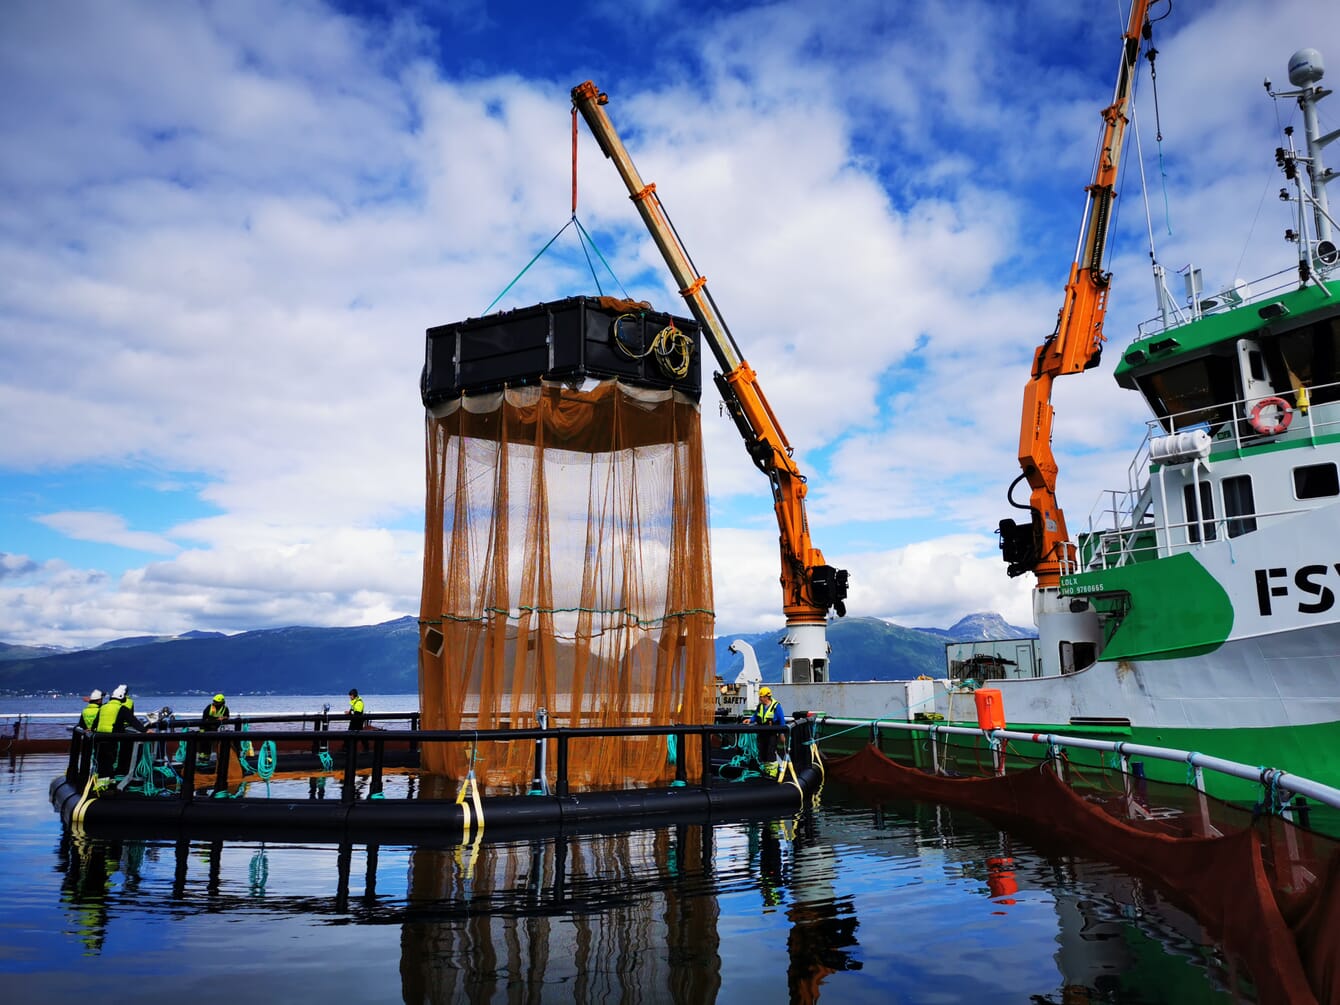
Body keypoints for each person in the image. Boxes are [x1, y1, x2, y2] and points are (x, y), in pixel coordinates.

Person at [94, 684, 145, 777]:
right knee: (111, 761)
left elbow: (95, 723)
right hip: (112, 738)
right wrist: (145, 730)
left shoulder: (103, 707)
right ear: (122, 697)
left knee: (101, 762)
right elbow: (134, 721)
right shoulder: (121, 708)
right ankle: (110, 781)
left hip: (99, 738)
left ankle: (99, 781)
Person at [746, 685, 786, 771]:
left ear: (767, 697)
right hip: (762, 733)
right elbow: (756, 716)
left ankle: (772, 772)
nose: (760, 698)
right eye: (760, 697)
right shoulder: (760, 707)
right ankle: (763, 769)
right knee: (762, 751)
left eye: (762, 697)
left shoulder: (776, 706)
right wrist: (750, 720)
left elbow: (782, 720)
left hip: (771, 734)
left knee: (770, 752)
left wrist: (782, 734)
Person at [199, 693, 230, 764]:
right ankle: (202, 758)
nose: (215, 703)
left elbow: (227, 716)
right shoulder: (209, 707)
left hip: (215, 728)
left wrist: (223, 718)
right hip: (205, 727)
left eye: (217, 702)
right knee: (204, 742)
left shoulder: (225, 708)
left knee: (211, 743)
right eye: (214, 701)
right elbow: (204, 718)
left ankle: (208, 758)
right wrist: (216, 719)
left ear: (222, 702)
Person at [347, 688, 366, 753]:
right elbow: (353, 711)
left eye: (350, 695)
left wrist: (350, 714)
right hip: (355, 720)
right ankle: (347, 747)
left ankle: (366, 748)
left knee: (357, 734)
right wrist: (349, 712)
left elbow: (357, 713)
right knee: (359, 734)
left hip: (357, 721)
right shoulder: (355, 702)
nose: (349, 697)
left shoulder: (359, 702)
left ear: (354, 695)